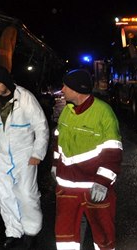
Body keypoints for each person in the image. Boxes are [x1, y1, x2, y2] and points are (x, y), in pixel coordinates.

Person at [0, 66, 49, 249]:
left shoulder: (25, 98)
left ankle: (31, 231)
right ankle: (13, 231)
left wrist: (37, 154)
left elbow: (41, 127)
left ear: (6, 82)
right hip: (0, 157)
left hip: (24, 155)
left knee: (26, 194)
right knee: (4, 195)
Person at [53, 69, 122, 250]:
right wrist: (55, 165)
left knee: (103, 235)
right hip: (67, 186)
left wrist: (103, 182)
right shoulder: (67, 112)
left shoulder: (103, 113)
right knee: (65, 236)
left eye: (66, 86)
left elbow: (113, 152)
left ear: (77, 90)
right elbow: (58, 140)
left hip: (94, 186)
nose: (62, 90)